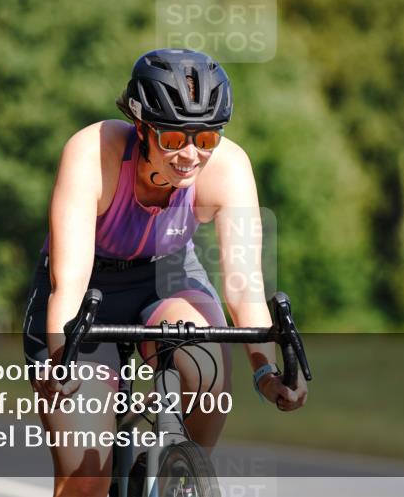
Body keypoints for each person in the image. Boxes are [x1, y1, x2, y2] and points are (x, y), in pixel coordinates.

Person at [23, 48, 308, 497]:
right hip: (87, 292)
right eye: (174, 140)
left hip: (167, 275)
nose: (191, 156)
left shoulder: (230, 169)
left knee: (206, 355)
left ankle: (176, 475)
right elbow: (70, 283)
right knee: (85, 480)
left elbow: (243, 289)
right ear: (141, 128)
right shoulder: (92, 152)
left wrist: (265, 372)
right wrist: (62, 359)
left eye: (206, 140)